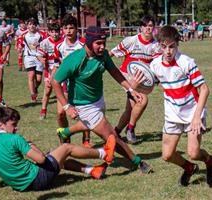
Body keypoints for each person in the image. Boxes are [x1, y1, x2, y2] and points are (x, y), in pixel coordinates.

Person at [52, 26, 152, 174]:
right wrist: (67, 106)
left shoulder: (103, 55)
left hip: (98, 99)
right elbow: (55, 81)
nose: (102, 47)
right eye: (98, 43)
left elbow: (114, 72)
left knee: (92, 126)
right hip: (83, 105)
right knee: (111, 136)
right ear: (89, 42)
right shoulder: (75, 60)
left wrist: (130, 90)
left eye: (103, 43)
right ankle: (137, 161)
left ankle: (65, 132)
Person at [0, 107, 116, 191]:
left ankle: (93, 170)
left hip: (21, 186)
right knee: (66, 148)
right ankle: (104, 153)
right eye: (13, 124)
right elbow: (41, 159)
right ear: (1, 125)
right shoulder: (15, 139)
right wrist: (30, 145)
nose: (16, 128)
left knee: (56, 157)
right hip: (37, 179)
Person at [149, 25, 212, 187]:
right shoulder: (155, 65)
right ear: (159, 46)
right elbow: (150, 87)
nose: (167, 51)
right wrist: (135, 86)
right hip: (172, 114)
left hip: (193, 112)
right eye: (164, 47)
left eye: (171, 47)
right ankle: (189, 168)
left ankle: (210, 161)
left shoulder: (186, 62)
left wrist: (196, 117)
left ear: (177, 45)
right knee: (167, 155)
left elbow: (204, 89)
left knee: (194, 153)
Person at [110, 15, 161, 144]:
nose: (148, 29)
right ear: (141, 28)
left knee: (131, 108)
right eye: (146, 26)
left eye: (151, 26)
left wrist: (157, 78)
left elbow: (157, 65)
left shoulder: (155, 46)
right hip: (126, 76)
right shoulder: (131, 41)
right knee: (142, 100)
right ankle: (130, 130)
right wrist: (98, 64)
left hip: (142, 79)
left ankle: (114, 134)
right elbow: (112, 53)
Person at [52, 14, 91, 147]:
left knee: (84, 113)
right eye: (65, 28)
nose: (68, 31)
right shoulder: (58, 46)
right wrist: (51, 77)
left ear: (77, 29)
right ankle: (66, 137)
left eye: (71, 28)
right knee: (60, 112)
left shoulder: (83, 44)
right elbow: (57, 64)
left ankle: (86, 140)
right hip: (64, 84)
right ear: (62, 29)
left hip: (81, 84)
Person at [18, 18, 46, 103]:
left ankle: (35, 89)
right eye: (30, 24)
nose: (32, 26)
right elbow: (20, 44)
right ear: (27, 26)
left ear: (36, 25)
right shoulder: (23, 35)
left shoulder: (42, 35)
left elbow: (46, 44)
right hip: (28, 57)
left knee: (38, 79)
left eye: (33, 24)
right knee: (31, 75)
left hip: (39, 57)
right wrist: (20, 49)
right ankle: (33, 96)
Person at [37, 23, 61, 120]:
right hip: (49, 70)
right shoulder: (45, 42)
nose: (55, 34)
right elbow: (38, 54)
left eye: (56, 32)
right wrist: (41, 59)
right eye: (52, 32)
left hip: (61, 70)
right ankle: (43, 111)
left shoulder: (62, 42)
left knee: (63, 92)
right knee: (47, 91)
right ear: (49, 32)